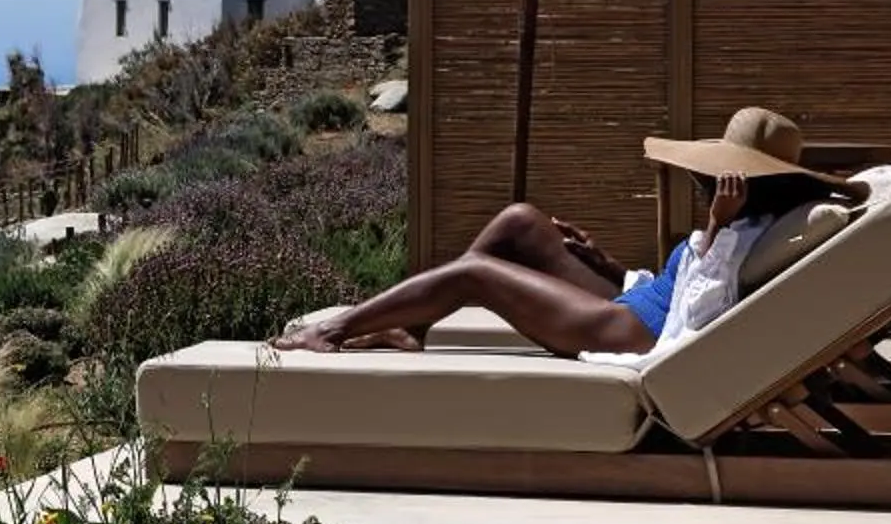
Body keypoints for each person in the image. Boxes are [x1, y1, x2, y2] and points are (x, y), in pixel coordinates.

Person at [270, 106, 855, 359]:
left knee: (476, 275)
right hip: (632, 304)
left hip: (629, 333)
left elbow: (699, 318)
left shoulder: (746, 228)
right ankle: (410, 327)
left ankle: (332, 330)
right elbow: (681, 287)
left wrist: (714, 226)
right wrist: (608, 268)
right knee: (521, 222)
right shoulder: (752, 220)